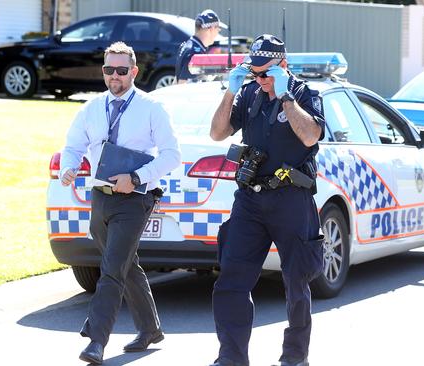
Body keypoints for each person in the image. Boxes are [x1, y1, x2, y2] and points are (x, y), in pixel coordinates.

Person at [59, 41, 181, 364]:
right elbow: (73, 145)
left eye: (122, 70)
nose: (115, 76)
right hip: (100, 197)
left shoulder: (151, 109)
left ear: (134, 72)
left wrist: (137, 178)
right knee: (125, 263)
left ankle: (96, 339)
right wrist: (68, 168)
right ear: (103, 71)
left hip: (135, 199)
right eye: (109, 70)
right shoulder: (91, 108)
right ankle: (150, 328)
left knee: (111, 269)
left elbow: (172, 156)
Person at [209, 34, 326, 366]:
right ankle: (231, 358)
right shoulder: (248, 94)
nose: (259, 79)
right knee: (231, 278)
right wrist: (232, 90)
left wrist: (286, 94)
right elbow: (217, 132)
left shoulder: (304, 95)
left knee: (296, 281)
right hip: (250, 199)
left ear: (283, 66)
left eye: (266, 73)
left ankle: (294, 356)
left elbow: (309, 135)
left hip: (291, 198)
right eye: (254, 72)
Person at [174, 9, 227, 84]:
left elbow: (176, 80)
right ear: (211, 29)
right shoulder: (195, 54)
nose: (218, 32)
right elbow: (182, 84)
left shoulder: (188, 46)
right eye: (218, 29)